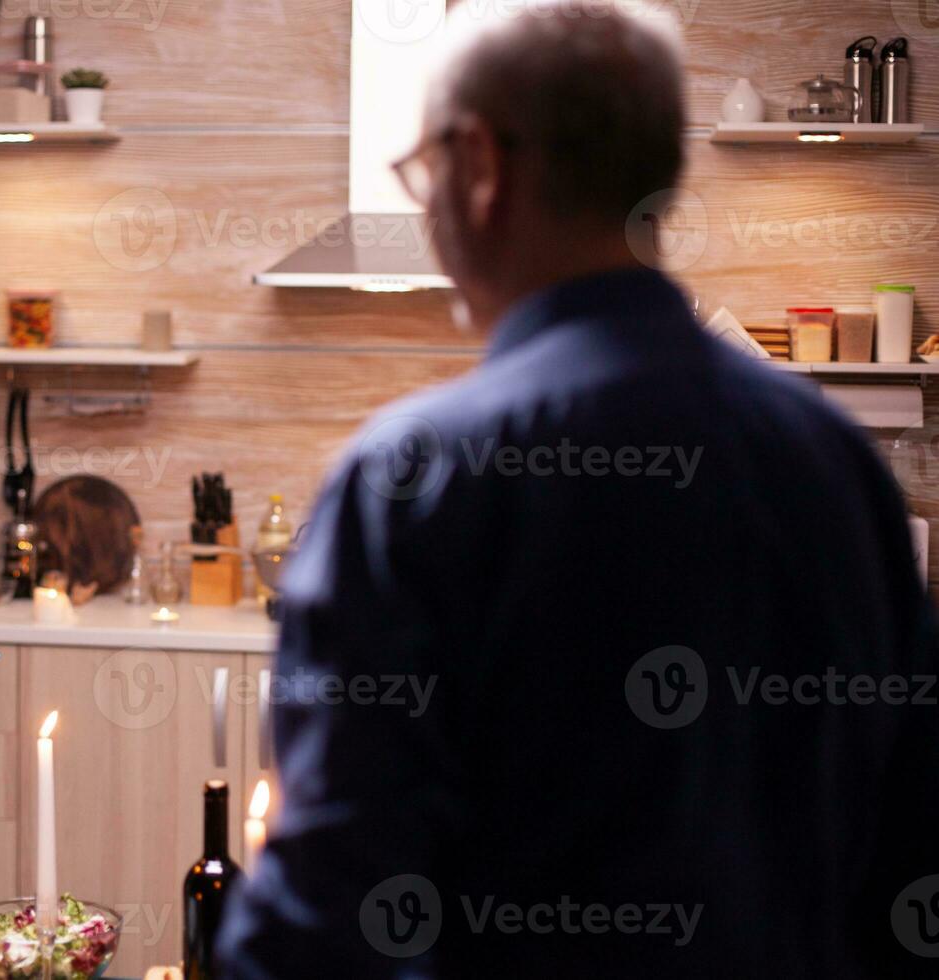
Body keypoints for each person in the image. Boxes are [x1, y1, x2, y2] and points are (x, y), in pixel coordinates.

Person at [218, 2, 939, 976]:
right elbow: (909, 856)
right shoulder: (835, 462)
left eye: (424, 172)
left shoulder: (412, 478)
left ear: (481, 168)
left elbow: (326, 913)